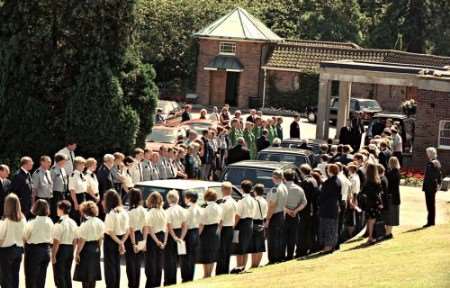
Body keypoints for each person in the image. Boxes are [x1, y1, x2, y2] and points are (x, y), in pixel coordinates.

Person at [23, 199, 54, 288]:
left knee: (30, 279)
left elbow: (25, 237)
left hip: (34, 251)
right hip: (46, 250)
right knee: (41, 279)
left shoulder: (32, 222)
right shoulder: (50, 222)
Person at [73, 201, 104, 288]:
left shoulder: (85, 224)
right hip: (96, 248)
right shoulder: (100, 222)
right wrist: (98, 248)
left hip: (86, 249)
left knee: (85, 275)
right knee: (93, 275)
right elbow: (101, 238)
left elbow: (82, 240)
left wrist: (77, 253)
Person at [103, 190, 129, 288]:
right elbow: (127, 229)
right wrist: (122, 242)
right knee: (116, 265)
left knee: (110, 267)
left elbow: (110, 232)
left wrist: (120, 243)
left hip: (111, 240)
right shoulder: (124, 211)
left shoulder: (111, 213)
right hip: (121, 238)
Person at [0, 194, 27, 288]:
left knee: (5, 279)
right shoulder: (23, 220)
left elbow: (1, 238)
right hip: (18, 251)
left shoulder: (6, 221)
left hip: (6, 252)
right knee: (15, 277)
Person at [143, 192, 168, 288]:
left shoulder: (150, 213)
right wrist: (164, 241)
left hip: (153, 239)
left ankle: (150, 285)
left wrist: (156, 241)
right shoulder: (164, 212)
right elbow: (166, 228)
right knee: (159, 264)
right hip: (162, 237)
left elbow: (149, 229)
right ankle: (157, 284)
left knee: (150, 264)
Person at [52, 200, 78, 288]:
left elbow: (56, 241)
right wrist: (72, 251)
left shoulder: (59, 223)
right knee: (67, 274)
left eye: (58, 208)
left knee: (59, 275)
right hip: (70, 248)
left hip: (61, 250)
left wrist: (53, 255)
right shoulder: (73, 222)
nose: (56, 210)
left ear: (62, 209)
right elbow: (75, 240)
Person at [231, 180, 256, 273]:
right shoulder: (253, 200)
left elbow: (238, 215)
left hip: (242, 224)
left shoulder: (241, 201)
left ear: (242, 189)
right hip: (250, 223)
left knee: (239, 246)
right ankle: (243, 267)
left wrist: (233, 226)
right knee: (246, 246)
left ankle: (239, 267)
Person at [164, 190, 187, 286]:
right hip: (181, 233)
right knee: (180, 259)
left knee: (170, 260)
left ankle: (170, 281)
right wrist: (181, 237)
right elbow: (185, 225)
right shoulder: (183, 210)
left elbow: (168, 226)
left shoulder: (167, 211)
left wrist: (174, 237)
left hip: (171, 235)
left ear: (168, 199)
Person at [197, 189, 222, 278]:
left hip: (207, 231)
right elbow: (221, 221)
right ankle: (210, 273)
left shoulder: (206, 209)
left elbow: (201, 224)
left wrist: (198, 235)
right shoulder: (219, 207)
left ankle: (206, 274)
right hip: (215, 230)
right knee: (212, 252)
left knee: (205, 253)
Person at [124, 188, 146, 288]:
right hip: (141, 236)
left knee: (131, 264)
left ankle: (132, 285)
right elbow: (146, 227)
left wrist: (133, 244)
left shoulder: (131, 212)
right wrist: (144, 241)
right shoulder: (144, 210)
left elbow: (131, 229)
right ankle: (136, 285)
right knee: (137, 263)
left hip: (132, 238)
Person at [283, 169, 307, 260]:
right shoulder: (299, 188)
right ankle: (290, 255)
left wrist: (288, 210)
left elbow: (279, 203)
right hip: (295, 215)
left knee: (283, 236)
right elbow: (304, 202)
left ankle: (282, 254)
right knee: (292, 236)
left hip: (284, 215)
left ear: (284, 178)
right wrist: (296, 210)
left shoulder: (282, 188)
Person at [297, 164, 319, 257]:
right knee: (310, 231)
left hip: (306, 210)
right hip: (313, 208)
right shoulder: (313, 180)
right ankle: (312, 247)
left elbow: (304, 198)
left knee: (304, 231)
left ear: (302, 172)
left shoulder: (306, 182)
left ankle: (303, 250)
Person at [266, 170, 288, 264]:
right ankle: (280, 256)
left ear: (274, 177)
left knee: (273, 238)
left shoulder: (275, 188)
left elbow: (272, 205)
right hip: (281, 214)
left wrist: (267, 219)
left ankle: (273, 259)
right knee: (279, 237)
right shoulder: (284, 187)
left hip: (275, 215)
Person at [318, 164, 341, 253]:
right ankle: (332, 246)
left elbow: (323, 196)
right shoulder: (337, 180)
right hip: (334, 206)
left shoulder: (329, 182)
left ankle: (327, 247)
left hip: (327, 208)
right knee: (333, 227)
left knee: (327, 227)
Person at [216, 182, 237, 275]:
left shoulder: (224, 203)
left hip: (224, 228)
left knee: (222, 251)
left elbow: (220, 219)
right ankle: (225, 270)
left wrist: (218, 231)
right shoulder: (234, 201)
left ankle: (221, 271)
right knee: (227, 251)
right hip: (230, 228)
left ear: (223, 190)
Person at [181, 191, 202, 282]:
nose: (184, 199)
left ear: (189, 198)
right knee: (192, 256)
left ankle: (186, 277)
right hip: (196, 232)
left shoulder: (188, 210)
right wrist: (198, 233)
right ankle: (190, 277)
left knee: (186, 256)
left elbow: (185, 226)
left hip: (188, 233)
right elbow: (202, 224)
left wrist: (181, 238)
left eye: (185, 197)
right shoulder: (200, 208)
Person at [361, 163, 383, 244]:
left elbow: (364, 192)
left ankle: (371, 237)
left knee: (371, 220)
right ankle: (372, 236)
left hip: (369, 203)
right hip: (374, 203)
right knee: (373, 220)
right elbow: (378, 193)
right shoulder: (377, 181)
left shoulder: (367, 181)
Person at [248, 184, 267, 268]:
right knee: (260, 245)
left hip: (254, 222)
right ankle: (257, 264)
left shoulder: (254, 201)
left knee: (253, 246)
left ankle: (253, 264)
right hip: (261, 222)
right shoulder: (264, 201)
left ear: (255, 191)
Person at [422, 147, 442, 228]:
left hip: (430, 186)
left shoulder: (432, 163)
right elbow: (439, 174)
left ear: (430, 154)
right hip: (432, 186)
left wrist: (437, 183)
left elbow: (432, 176)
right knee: (431, 204)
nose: (427, 154)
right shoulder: (435, 162)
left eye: (428, 153)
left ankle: (430, 222)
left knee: (430, 204)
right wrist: (438, 183)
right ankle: (431, 221)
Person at [384, 157, 401, 239]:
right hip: (396, 196)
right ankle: (389, 232)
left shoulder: (389, 173)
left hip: (390, 196)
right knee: (393, 215)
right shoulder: (398, 172)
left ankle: (388, 233)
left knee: (389, 215)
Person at [69, 157, 88, 224]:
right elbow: (72, 190)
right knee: (77, 217)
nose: (84, 166)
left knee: (83, 216)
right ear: (77, 165)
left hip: (83, 196)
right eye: (83, 165)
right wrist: (75, 203)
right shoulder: (73, 175)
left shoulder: (81, 174)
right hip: (77, 197)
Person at [51, 154, 69, 221]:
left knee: (62, 209)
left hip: (63, 193)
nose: (66, 162)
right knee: (56, 210)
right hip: (56, 193)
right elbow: (50, 183)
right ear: (60, 161)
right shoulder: (53, 170)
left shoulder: (63, 169)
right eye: (64, 161)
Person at [96, 154, 114, 218]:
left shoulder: (106, 169)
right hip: (105, 197)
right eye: (112, 161)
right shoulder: (103, 170)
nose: (113, 162)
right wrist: (104, 199)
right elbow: (103, 185)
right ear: (108, 161)